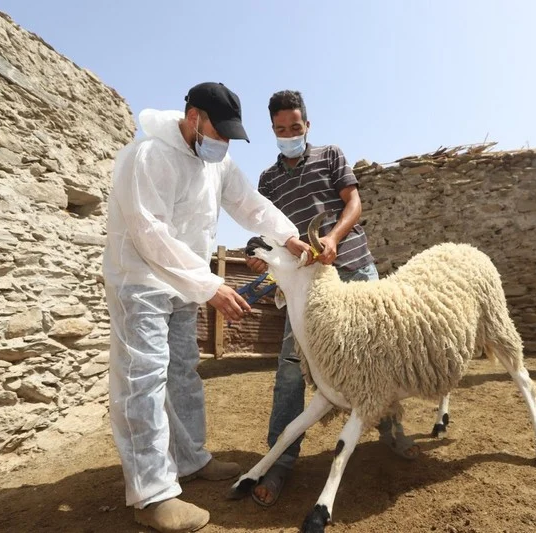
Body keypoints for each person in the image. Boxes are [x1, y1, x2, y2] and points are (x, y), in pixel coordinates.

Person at [103, 82, 305, 532]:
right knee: (144, 379)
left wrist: (286, 234)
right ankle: (152, 494)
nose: (224, 143)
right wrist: (210, 285)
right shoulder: (148, 156)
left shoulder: (219, 162)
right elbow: (149, 233)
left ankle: (190, 460)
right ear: (193, 116)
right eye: (219, 132)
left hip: (183, 285)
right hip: (139, 280)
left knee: (183, 372)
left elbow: (249, 205)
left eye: (231, 136)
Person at [244, 90, 419, 508]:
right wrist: (257, 255)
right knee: (291, 369)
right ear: (273, 130)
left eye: (296, 128)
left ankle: (391, 432)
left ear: (307, 126)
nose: (289, 135)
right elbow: (264, 233)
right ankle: (281, 461)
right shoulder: (267, 180)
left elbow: (353, 202)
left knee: (383, 354)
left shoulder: (332, 156)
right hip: (307, 286)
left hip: (353, 267)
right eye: (281, 130)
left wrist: (333, 237)